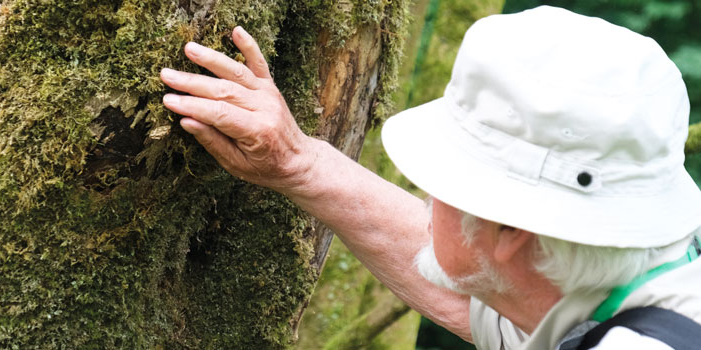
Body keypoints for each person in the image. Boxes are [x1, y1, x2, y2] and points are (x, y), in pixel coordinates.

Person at [158, 6, 701, 349]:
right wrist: (296, 161)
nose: (425, 197)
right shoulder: (613, 292)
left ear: (512, 233)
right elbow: (480, 292)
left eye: (447, 181)